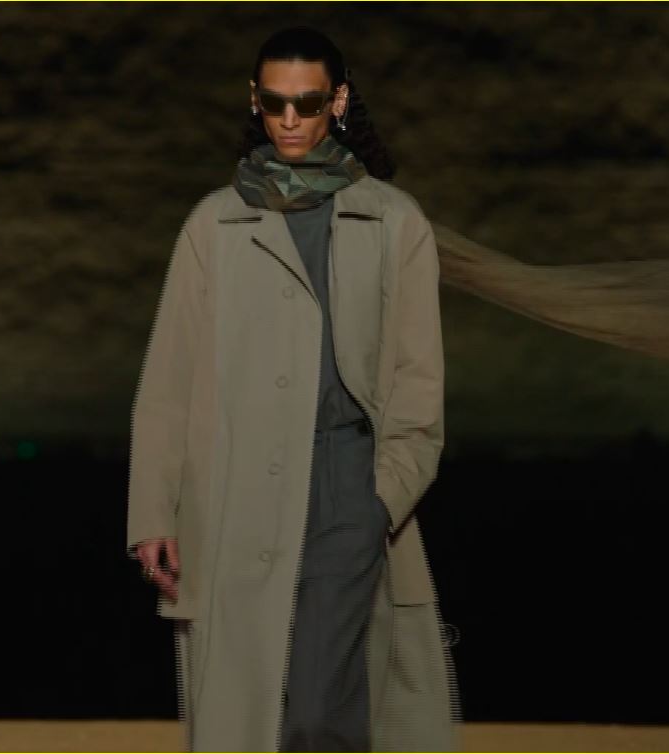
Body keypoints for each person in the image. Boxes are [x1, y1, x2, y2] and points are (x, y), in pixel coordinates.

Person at [125, 26, 458, 753]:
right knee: (247, 705)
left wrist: (384, 497)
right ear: (255, 100)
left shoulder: (394, 221)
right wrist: (153, 511)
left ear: (337, 101)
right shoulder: (214, 224)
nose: (290, 120)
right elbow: (169, 379)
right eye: (275, 103)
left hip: (347, 482)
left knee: (317, 708)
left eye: (307, 103)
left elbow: (418, 379)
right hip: (235, 484)